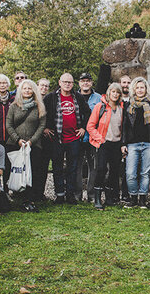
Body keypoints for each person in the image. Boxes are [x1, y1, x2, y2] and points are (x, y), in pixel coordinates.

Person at [43, 73, 91, 204]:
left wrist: (83, 128)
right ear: (59, 82)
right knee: (57, 167)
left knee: (72, 167)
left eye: (70, 82)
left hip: (73, 138)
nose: (67, 84)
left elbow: (88, 113)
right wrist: (45, 128)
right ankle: (59, 194)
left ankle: (70, 194)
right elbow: (42, 113)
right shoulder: (51, 98)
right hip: (56, 138)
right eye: (65, 82)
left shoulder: (78, 97)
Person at [120, 77, 150, 208]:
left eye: (142, 87)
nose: (139, 90)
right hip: (132, 144)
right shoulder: (129, 105)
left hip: (149, 144)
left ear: (146, 89)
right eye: (137, 87)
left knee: (145, 173)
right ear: (134, 89)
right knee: (130, 173)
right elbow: (125, 126)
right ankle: (133, 198)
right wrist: (123, 143)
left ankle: (142, 199)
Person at [6, 79, 46, 212]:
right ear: (20, 90)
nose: (27, 91)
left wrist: (31, 141)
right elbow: (8, 125)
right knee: (16, 171)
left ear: (34, 90)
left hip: (33, 145)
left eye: (30, 88)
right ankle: (15, 197)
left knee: (32, 172)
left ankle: (29, 199)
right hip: (15, 144)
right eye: (25, 88)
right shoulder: (14, 106)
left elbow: (41, 126)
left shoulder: (39, 106)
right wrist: (17, 139)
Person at [87, 83, 125, 209]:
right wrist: (100, 139)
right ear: (109, 93)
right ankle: (97, 198)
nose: (115, 94)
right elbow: (90, 126)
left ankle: (109, 197)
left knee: (114, 170)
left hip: (116, 143)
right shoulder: (101, 106)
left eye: (117, 92)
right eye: (113, 91)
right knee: (101, 169)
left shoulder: (122, 107)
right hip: (103, 143)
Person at [76, 72, 102, 202]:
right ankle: (77, 194)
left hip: (93, 138)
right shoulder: (74, 97)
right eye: (83, 81)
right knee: (77, 166)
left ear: (92, 83)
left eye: (88, 81)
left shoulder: (98, 98)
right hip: (77, 137)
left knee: (94, 167)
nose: (85, 83)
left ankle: (91, 194)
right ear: (79, 83)